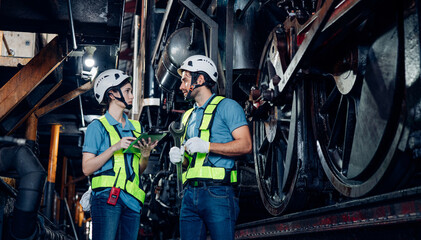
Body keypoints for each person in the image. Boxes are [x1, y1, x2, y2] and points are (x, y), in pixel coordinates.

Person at [169, 55, 252, 240]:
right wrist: (179, 158)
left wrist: (208, 146)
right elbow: (187, 163)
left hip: (218, 194)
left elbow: (246, 145)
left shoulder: (228, 107)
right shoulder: (187, 116)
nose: (181, 86)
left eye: (185, 80)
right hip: (189, 195)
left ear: (200, 79)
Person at [82, 69, 158, 240]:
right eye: (127, 91)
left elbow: (138, 168)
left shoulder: (137, 128)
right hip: (107, 199)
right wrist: (114, 147)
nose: (132, 96)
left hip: (132, 201)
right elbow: (86, 168)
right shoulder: (98, 127)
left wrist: (145, 154)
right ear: (112, 94)